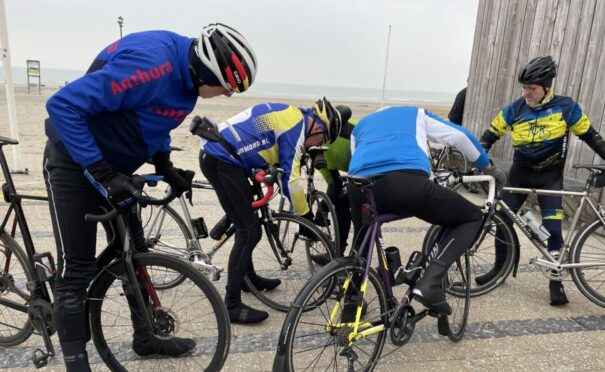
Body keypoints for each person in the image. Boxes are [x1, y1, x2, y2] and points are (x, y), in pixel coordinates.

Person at [43, 23, 257, 372]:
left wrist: (165, 165)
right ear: (207, 72)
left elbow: (156, 123)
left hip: (115, 168)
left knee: (134, 251)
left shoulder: (188, 83)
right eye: (228, 88)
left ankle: (145, 336)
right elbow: (62, 107)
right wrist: (103, 173)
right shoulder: (151, 65)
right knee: (78, 271)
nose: (227, 95)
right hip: (75, 164)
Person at [476, 56, 605, 306]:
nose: (526, 93)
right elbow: (488, 136)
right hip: (519, 177)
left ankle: (556, 282)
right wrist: (478, 158)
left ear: (547, 87)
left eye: (532, 88)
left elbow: (589, 134)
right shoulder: (515, 109)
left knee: (553, 230)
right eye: (524, 88)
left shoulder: (565, 107)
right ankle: (499, 270)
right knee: (502, 221)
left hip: (550, 179)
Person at [199, 98, 351, 324]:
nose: (316, 146)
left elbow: (265, 141)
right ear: (318, 127)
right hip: (222, 159)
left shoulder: (294, 116)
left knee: (247, 224)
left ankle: (248, 279)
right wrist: (305, 216)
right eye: (322, 140)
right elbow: (291, 181)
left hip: (223, 155)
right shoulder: (297, 127)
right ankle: (231, 304)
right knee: (249, 232)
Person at [347, 106, 506, 315]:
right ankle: (430, 282)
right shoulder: (416, 114)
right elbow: (460, 137)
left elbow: (355, 156)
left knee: (362, 240)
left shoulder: (361, 125)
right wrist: (489, 168)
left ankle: (350, 306)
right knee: (471, 217)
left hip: (358, 186)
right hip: (405, 181)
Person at [310, 109, 356, 257]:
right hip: (366, 158)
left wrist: (322, 209)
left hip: (366, 162)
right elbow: (335, 185)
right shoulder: (330, 122)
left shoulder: (317, 152)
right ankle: (341, 251)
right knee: (343, 198)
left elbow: (334, 185)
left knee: (344, 202)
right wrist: (324, 208)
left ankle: (341, 252)